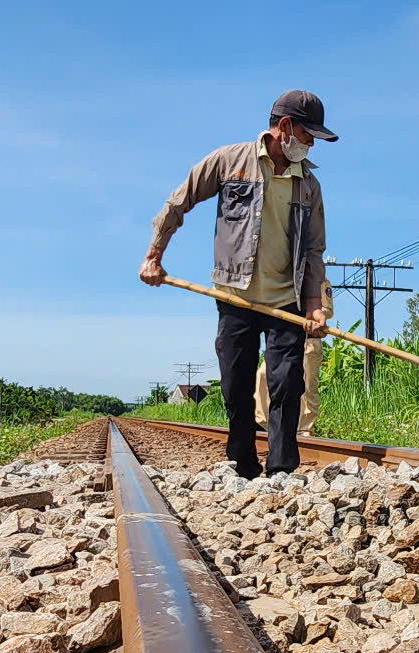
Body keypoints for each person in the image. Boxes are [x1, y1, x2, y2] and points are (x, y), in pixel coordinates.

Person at [139, 90, 337, 479]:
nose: (312, 142)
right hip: (234, 295)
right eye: (308, 133)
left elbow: (314, 249)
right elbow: (179, 201)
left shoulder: (309, 185)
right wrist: (154, 254)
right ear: (284, 128)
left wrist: (313, 304)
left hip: (286, 300)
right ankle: (243, 465)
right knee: (236, 385)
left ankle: (281, 470)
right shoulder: (229, 162)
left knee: (285, 386)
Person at [255, 277, 333, 436]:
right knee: (262, 374)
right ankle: (262, 422)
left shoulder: (320, 281)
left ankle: (305, 427)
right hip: (283, 340)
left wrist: (310, 315)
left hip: (308, 341)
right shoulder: (282, 279)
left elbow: (327, 309)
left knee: (307, 385)